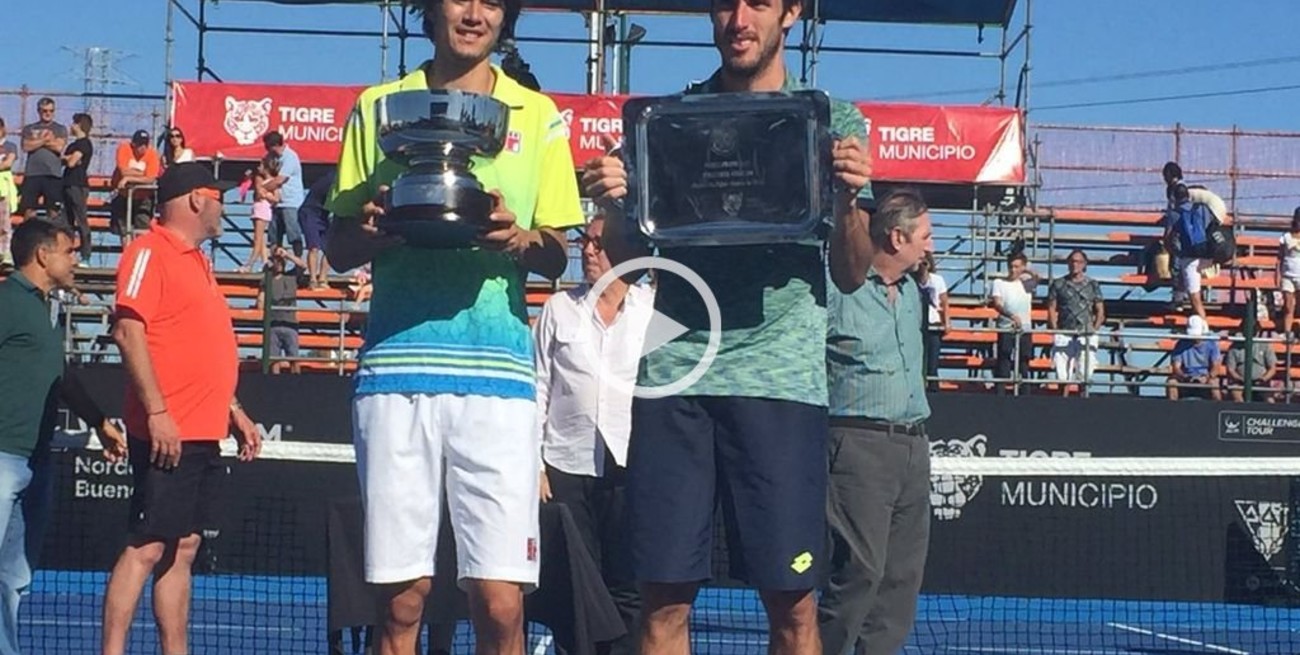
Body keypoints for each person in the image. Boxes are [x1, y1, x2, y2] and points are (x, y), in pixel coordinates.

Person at [581, 1, 875, 652]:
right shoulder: (667, 124)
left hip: (781, 385)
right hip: (673, 378)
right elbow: (631, 261)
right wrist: (611, 201)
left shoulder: (832, 121)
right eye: (724, 3)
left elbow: (852, 273)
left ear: (791, 13)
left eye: (760, 3)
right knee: (660, 604)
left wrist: (850, 198)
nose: (739, 17)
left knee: (794, 608)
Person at [324, 0, 583, 653]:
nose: (475, 13)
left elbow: (555, 251)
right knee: (401, 603)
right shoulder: (378, 105)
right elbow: (338, 246)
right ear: (430, 10)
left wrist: (516, 236)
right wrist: (377, 228)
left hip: (498, 380)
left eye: (492, 1)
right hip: (397, 372)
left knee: (499, 605)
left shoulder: (538, 114)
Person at [101, 163, 262, 655]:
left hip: (202, 429)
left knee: (183, 545)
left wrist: (232, 408)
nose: (223, 205)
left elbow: (200, 346)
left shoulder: (197, 261)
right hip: (168, 431)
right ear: (195, 200)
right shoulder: (148, 251)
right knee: (147, 544)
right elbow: (128, 331)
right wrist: (156, 412)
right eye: (218, 195)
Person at [0, 219, 125, 655]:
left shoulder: (42, 311)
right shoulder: (6, 302)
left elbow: (63, 378)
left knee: (13, 579)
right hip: (2, 458)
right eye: (69, 251)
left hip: (35, 462)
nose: (76, 260)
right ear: (42, 255)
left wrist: (99, 422)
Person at [819, 188, 934, 655]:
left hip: (914, 445)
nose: (930, 244)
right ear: (896, 237)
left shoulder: (912, 294)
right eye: (924, 235)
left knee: (901, 581)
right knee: (858, 574)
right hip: (857, 444)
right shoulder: (837, 290)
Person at [533, 215, 651, 655]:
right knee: (575, 587)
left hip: (630, 467)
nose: (588, 250)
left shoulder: (651, 311)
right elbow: (537, 388)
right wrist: (536, 465)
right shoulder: (557, 310)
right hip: (566, 464)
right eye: (585, 242)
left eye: (599, 244)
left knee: (627, 585)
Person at [1046, 249, 1105, 395]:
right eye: (1072, 261)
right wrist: (1055, 329)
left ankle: (1082, 401)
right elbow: (1052, 307)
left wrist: (1095, 328)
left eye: (1078, 261)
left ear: (1084, 264)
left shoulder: (1092, 284)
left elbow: (1100, 309)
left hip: (1086, 331)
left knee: (1084, 371)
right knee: (1062, 373)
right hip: (1064, 330)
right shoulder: (1058, 283)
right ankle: (1063, 401)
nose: (1074, 264)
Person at [990, 252, 1036, 393]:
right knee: (1004, 359)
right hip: (1006, 326)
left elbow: (1037, 277)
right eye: (1011, 266)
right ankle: (1000, 392)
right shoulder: (999, 283)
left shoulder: (1026, 284)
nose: (1013, 270)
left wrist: (1026, 269)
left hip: (1025, 327)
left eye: (1017, 266)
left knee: (1024, 361)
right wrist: (1010, 315)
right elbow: (997, 304)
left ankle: (1025, 393)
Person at [109, 130, 162, 247]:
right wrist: (141, 174)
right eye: (139, 144)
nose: (142, 148)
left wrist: (128, 178)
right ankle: (127, 254)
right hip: (123, 195)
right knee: (124, 230)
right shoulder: (124, 148)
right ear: (133, 144)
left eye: (145, 144)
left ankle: (138, 255)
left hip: (143, 197)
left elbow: (151, 178)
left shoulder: (152, 154)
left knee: (142, 229)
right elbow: (123, 170)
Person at [19, 97, 67, 221]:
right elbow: (26, 146)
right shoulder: (29, 128)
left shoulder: (60, 129)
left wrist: (37, 141)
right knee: (29, 209)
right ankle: (29, 237)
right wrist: (46, 140)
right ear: (39, 111)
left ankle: (53, 236)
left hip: (52, 174)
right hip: (33, 174)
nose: (48, 113)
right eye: (45, 110)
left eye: (51, 111)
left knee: (53, 210)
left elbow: (59, 147)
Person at [263, 131, 306, 259]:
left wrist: (262, 188)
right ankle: (276, 265)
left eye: (268, 147)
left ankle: (298, 265)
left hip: (291, 202)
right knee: (274, 237)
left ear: (275, 145)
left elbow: (279, 180)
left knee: (294, 235)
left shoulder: (290, 157)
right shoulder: (272, 158)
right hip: (277, 203)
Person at [60, 113, 95, 263]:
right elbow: (63, 159)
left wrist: (68, 158)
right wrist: (67, 158)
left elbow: (71, 162)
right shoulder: (72, 145)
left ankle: (86, 254)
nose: (71, 126)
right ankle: (68, 253)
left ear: (79, 125)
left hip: (78, 185)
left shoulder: (84, 143)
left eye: (73, 123)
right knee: (66, 222)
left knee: (81, 219)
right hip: (67, 183)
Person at [915, 253, 948, 389]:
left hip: (933, 322)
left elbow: (944, 301)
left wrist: (947, 321)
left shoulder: (938, 280)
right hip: (916, 323)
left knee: (933, 362)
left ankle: (933, 389)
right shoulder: (911, 279)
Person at [1276, 208, 1300, 334]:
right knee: (1288, 306)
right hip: (1287, 275)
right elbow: (1279, 257)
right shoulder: (1286, 237)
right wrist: (1277, 275)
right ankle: (1287, 333)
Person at [0, 118, 19, 268]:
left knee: (5, 224)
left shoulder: (10, 146)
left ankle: (5, 253)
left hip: (3, 190)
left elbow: (7, 163)